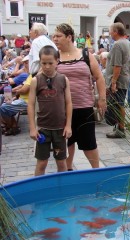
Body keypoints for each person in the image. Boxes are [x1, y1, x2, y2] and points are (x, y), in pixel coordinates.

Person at [53, 23, 106, 170]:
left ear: (69, 37)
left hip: (84, 105)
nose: (55, 39)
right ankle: (67, 172)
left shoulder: (85, 55)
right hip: (62, 109)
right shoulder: (54, 57)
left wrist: (102, 99)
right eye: (54, 36)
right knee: (66, 142)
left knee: (89, 142)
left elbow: (99, 77)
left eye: (58, 36)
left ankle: (97, 172)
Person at [28, 45, 72, 176]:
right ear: (40, 62)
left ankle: (62, 190)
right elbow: (30, 104)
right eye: (44, 63)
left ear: (57, 61)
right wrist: (32, 128)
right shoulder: (36, 80)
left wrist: (68, 125)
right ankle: (38, 189)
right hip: (43, 128)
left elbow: (69, 103)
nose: (47, 66)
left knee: (61, 162)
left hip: (60, 129)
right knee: (42, 163)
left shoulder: (63, 79)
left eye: (50, 63)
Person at [105, 22, 130, 138]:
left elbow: (117, 65)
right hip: (125, 77)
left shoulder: (118, 44)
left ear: (116, 31)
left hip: (119, 80)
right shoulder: (128, 43)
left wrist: (113, 82)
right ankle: (119, 127)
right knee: (119, 104)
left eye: (111, 31)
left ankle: (120, 129)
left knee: (118, 105)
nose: (110, 33)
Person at [0, 55, 30, 136]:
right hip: (20, 97)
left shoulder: (28, 75)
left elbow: (22, 88)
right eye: (24, 62)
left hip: (27, 101)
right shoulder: (28, 74)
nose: (25, 64)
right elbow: (20, 85)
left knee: (4, 106)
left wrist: (14, 93)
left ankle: (9, 126)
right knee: (3, 97)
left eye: (26, 62)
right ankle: (12, 125)